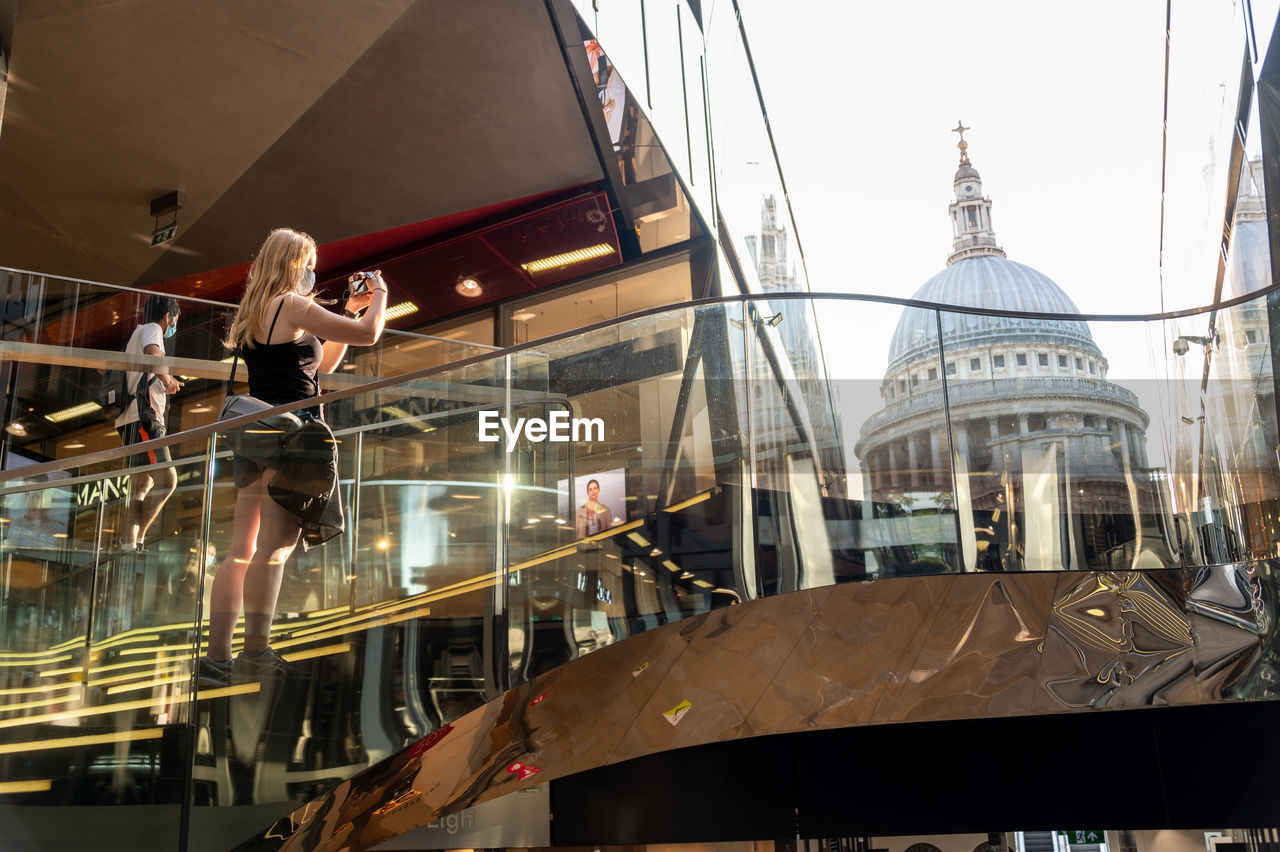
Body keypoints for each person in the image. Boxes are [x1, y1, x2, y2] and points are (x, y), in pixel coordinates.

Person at [202, 227, 387, 684]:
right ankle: (256, 653)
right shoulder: (294, 305)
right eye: (308, 263)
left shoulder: (255, 309)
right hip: (292, 439)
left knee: (241, 551)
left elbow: (321, 365)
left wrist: (344, 310)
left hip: (254, 435)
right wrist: (379, 295)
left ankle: (217, 659)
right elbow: (368, 335)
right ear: (293, 263)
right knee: (276, 548)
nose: (312, 271)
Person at [115, 294, 183, 552]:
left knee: (139, 487)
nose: (175, 324)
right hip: (145, 418)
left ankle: (128, 544)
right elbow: (153, 354)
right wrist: (168, 381)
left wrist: (167, 378)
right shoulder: (153, 329)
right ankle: (140, 538)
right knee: (168, 480)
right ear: (168, 316)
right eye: (176, 319)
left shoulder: (137, 332)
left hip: (129, 419)